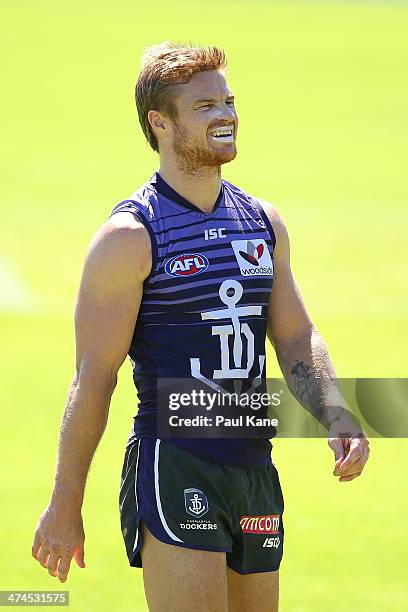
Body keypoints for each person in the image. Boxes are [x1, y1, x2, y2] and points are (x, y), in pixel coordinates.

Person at [32, 42, 370, 611]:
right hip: (176, 461)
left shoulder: (263, 222)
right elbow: (93, 379)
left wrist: (335, 411)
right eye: (206, 105)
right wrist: (66, 505)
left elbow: (294, 336)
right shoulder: (130, 238)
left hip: (254, 466)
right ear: (160, 123)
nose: (227, 115)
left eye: (229, 101)